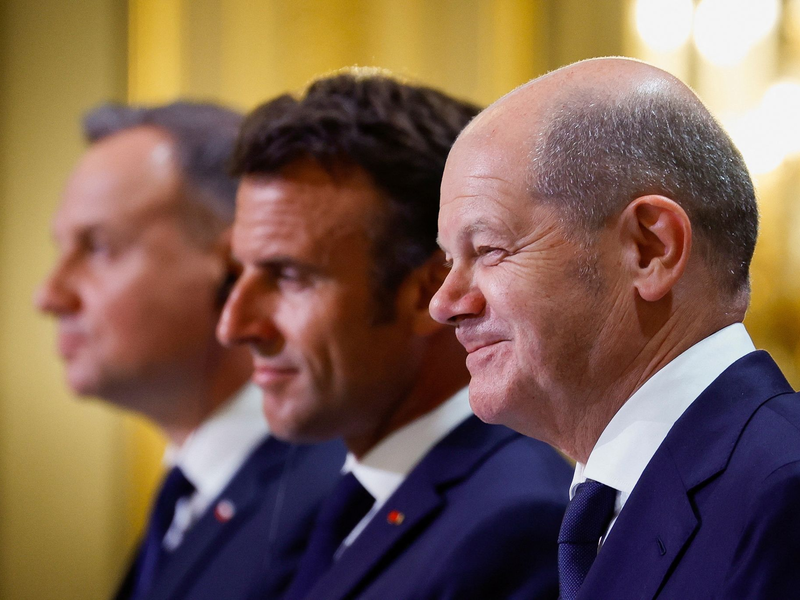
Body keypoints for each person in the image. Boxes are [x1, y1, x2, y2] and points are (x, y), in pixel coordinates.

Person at [430, 56, 800, 599]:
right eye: (448, 262)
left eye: (488, 250)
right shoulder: (607, 506)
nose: (445, 303)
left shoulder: (783, 495)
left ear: (651, 249)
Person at [216, 70, 572, 600]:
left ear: (430, 290)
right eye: (238, 272)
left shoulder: (513, 526)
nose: (235, 326)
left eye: (289, 276)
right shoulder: (320, 488)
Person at [35, 102, 344, 600]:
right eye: (61, 248)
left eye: (98, 247)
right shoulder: (188, 492)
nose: (49, 296)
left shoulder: (338, 507)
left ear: (235, 264)